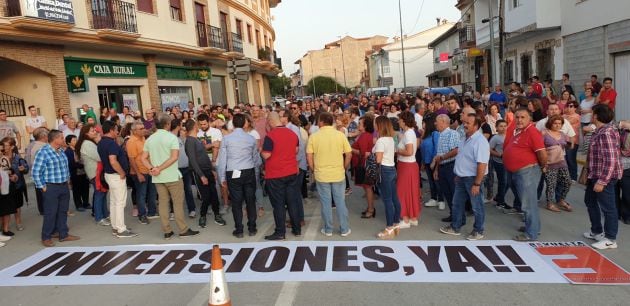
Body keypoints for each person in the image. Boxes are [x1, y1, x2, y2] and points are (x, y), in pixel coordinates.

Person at [141, 114, 199, 239]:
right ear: (167, 124)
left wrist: (152, 168)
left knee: (163, 203)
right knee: (177, 203)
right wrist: (159, 168)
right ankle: (183, 229)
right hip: (172, 176)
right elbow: (174, 157)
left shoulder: (150, 139)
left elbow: (143, 158)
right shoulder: (171, 138)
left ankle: (167, 230)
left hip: (158, 177)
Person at [440, 113, 489, 240]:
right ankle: (455, 226)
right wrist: (458, 173)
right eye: (464, 122)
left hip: (473, 178)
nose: (465, 125)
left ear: (476, 126)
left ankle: (478, 230)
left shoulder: (480, 141)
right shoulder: (464, 139)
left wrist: (477, 183)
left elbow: (482, 164)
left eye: (468, 123)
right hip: (461, 177)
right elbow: (461, 157)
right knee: (457, 203)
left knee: (477, 206)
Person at [504, 108, 547, 241]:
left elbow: (542, 153)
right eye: (517, 117)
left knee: (528, 203)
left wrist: (543, 166)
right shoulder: (519, 131)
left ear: (530, 118)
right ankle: (533, 226)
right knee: (527, 201)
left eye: (523, 117)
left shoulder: (532, 132)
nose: (519, 120)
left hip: (526, 171)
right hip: (517, 171)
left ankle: (531, 233)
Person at [307, 112, 352, 237]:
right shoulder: (340, 135)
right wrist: (344, 167)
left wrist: (313, 169)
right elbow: (349, 154)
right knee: (340, 202)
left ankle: (328, 229)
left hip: (321, 174)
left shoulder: (314, 137)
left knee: (326, 203)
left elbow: (309, 155)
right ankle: (344, 229)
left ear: (321, 122)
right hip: (338, 173)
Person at [31, 129, 80, 247]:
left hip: (63, 186)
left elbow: (65, 168)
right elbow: (36, 172)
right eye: (62, 138)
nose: (64, 140)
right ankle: (46, 236)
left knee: (63, 211)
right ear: (55, 139)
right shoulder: (43, 152)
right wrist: (42, 187)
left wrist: (68, 181)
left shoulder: (61, 151)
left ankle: (63, 234)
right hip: (50, 187)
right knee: (50, 213)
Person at [583, 104, 622, 250]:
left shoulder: (606, 133)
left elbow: (610, 159)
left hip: (604, 177)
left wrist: (603, 181)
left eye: (593, 114)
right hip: (595, 174)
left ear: (596, 116)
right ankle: (597, 231)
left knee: (608, 208)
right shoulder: (600, 131)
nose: (591, 116)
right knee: (590, 201)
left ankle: (611, 238)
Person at [217, 113, 260, 238]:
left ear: (233, 124)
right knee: (250, 200)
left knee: (236, 202)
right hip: (249, 170)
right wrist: (256, 175)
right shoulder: (251, 138)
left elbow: (222, 160)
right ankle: (252, 228)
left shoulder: (226, 139)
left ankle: (239, 229)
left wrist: (222, 177)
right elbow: (255, 159)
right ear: (244, 123)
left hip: (233, 171)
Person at [260, 112, 299, 240]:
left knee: (278, 204)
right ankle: (296, 228)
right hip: (291, 171)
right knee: (292, 202)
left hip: (275, 174)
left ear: (270, 121)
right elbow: (296, 150)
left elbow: (266, 155)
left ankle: (280, 232)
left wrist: (260, 149)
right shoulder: (292, 133)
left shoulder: (270, 136)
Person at [97, 121, 137, 238]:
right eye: (116, 129)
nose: (117, 132)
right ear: (111, 130)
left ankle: (116, 227)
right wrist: (122, 173)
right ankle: (121, 229)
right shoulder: (111, 144)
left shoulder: (101, 143)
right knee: (119, 203)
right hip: (116, 175)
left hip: (109, 175)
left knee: (114, 202)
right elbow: (113, 161)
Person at [184, 119, 226, 228]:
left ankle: (217, 215)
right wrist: (201, 175)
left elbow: (205, 156)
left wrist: (212, 169)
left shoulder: (197, 139)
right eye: (197, 125)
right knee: (206, 196)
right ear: (194, 127)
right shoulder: (189, 141)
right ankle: (202, 216)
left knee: (214, 195)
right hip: (199, 173)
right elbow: (192, 161)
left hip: (208, 170)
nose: (199, 126)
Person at [373, 116, 401, 239]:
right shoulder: (390, 139)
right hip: (392, 168)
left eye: (375, 123)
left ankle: (389, 227)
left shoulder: (380, 141)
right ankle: (395, 223)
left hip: (384, 169)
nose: (374, 125)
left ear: (379, 126)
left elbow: (378, 159)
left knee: (387, 200)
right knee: (394, 198)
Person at [76, 124, 109, 226]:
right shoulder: (87, 144)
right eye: (92, 131)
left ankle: (104, 215)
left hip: (97, 172)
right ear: (86, 133)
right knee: (99, 194)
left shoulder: (89, 142)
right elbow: (99, 157)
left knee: (102, 194)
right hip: (95, 172)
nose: (95, 132)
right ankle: (99, 217)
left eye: (95, 130)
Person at [126, 121, 157, 225]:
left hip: (149, 169)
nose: (144, 130)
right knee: (141, 194)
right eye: (141, 128)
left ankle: (152, 212)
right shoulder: (131, 142)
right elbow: (132, 160)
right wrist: (138, 174)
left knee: (152, 192)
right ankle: (142, 215)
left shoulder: (143, 138)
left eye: (144, 127)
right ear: (134, 131)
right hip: (139, 172)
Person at [541, 115, 573, 212]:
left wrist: (570, 144)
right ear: (550, 123)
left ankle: (561, 199)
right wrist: (543, 164)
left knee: (567, 181)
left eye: (560, 123)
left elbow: (567, 144)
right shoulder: (544, 134)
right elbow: (540, 149)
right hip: (549, 163)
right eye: (555, 123)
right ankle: (550, 203)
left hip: (561, 161)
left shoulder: (563, 134)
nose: (557, 125)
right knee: (551, 184)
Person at [433, 114, 461, 221]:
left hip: (451, 166)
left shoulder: (452, 133)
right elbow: (439, 154)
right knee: (447, 192)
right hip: (442, 166)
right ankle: (453, 214)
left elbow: (455, 150)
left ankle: (459, 217)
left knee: (454, 193)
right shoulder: (440, 135)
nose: (435, 123)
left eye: (437, 121)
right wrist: (436, 168)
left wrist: (442, 158)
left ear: (444, 122)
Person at [396, 111, 421, 228]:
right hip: (408, 166)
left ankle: (405, 219)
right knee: (411, 192)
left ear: (404, 121)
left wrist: (397, 150)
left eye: (400, 119)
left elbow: (409, 151)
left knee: (402, 192)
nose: (398, 121)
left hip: (406, 166)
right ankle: (413, 218)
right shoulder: (409, 133)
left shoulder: (408, 134)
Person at [351, 115, 375, 218]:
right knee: (367, 188)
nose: (358, 125)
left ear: (365, 125)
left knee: (367, 188)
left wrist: (350, 148)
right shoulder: (365, 135)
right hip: (364, 164)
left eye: (360, 123)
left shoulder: (365, 136)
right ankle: (370, 208)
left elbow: (362, 152)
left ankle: (370, 209)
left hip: (364, 164)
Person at [421, 114, 444, 209]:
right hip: (426, 162)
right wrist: (423, 162)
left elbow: (437, 148)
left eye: (424, 123)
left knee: (437, 181)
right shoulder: (425, 135)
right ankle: (433, 198)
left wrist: (434, 161)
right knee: (431, 181)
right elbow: (423, 150)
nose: (422, 124)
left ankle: (441, 200)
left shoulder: (435, 134)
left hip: (434, 161)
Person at [64, 135, 90, 212]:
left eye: (76, 139)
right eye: (74, 140)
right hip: (75, 173)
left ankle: (86, 203)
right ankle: (78, 205)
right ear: (69, 143)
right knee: (77, 190)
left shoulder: (79, 149)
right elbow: (71, 163)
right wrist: (82, 164)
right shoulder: (68, 152)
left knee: (85, 188)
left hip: (84, 172)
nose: (77, 141)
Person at [26, 127, 49, 215]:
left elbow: (28, 160)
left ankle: (42, 210)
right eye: (47, 133)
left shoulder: (32, 145)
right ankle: (45, 211)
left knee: (40, 194)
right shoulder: (42, 146)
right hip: (43, 175)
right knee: (45, 195)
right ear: (43, 136)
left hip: (36, 174)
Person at [489, 120, 508, 208]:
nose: (503, 128)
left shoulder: (509, 136)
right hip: (499, 163)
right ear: (496, 128)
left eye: (505, 126)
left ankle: (499, 196)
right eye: (501, 126)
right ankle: (500, 202)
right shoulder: (496, 138)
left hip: (509, 162)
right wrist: (499, 154)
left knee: (507, 182)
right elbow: (489, 149)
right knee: (503, 181)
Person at [563, 100, 580, 181]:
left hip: (573, 141)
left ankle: (573, 177)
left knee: (571, 159)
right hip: (564, 140)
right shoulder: (564, 116)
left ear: (575, 108)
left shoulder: (577, 116)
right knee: (565, 159)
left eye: (571, 106)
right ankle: (567, 176)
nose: (569, 108)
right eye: (568, 106)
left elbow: (567, 123)